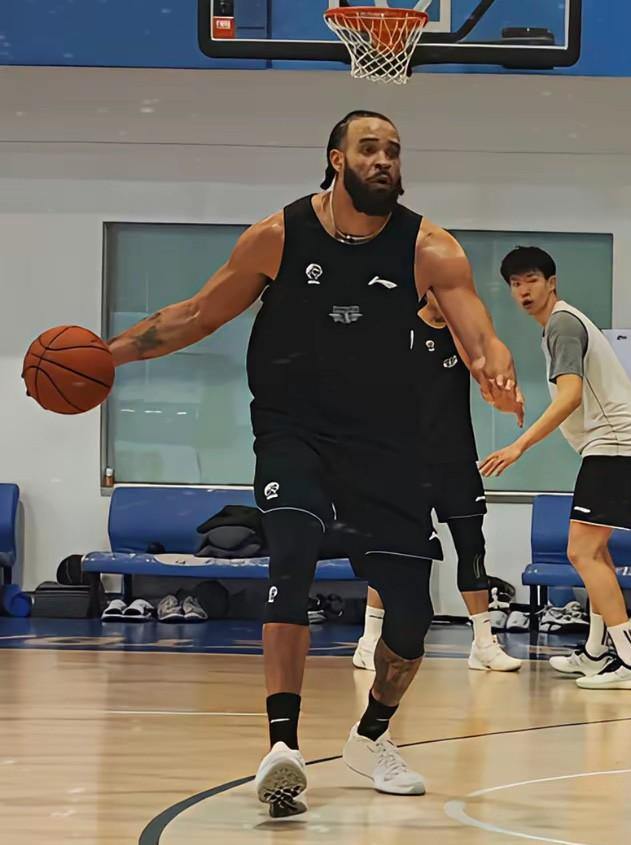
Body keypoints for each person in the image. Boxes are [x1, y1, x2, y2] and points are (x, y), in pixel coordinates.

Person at [105, 110, 521, 819]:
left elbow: (479, 332)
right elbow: (198, 314)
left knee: (412, 617)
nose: (384, 160)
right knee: (292, 551)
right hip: (292, 429)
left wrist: (495, 366)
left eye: (393, 150)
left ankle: (370, 736)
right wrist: (104, 356)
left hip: (386, 443)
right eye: (369, 148)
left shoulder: (431, 247)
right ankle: (282, 745)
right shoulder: (279, 235)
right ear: (336, 159)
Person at [480, 246, 631, 691]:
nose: (523, 290)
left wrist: (519, 445)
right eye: (515, 283)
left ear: (551, 282)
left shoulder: (562, 323)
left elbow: (570, 395)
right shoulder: (559, 325)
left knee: (582, 553)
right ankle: (596, 653)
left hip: (616, 445)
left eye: (531, 280)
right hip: (616, 445)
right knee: (596, 552)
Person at [353, 291, 521, 675]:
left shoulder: (465, 336)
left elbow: (490, 369)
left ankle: (484, 645)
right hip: (404, 464)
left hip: (456, 461)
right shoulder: (397, 329)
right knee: (394, 551)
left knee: (472, 547)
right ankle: (369, 641)